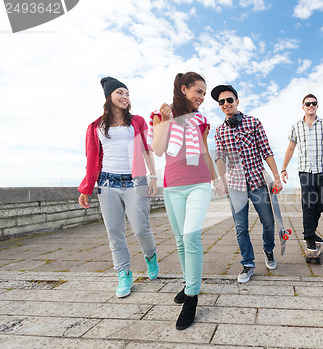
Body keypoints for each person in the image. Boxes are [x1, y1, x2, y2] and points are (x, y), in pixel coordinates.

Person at [78, 77, 159, 299]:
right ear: (109, 97)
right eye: (120, 93)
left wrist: (153, 176)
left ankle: (150, 256)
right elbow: (92, 157)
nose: (125, 97)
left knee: (141, 228)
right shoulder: (96, 126)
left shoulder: (138, 122)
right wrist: (86, 188)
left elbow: (147, 150)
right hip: (106, 183)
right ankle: (123, 273)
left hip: (135, 182)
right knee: (115, 233)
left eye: (127, 93)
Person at [151, 72, 218, 331]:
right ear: (183, 89)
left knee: (191, 236)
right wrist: (166, 122)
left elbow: (203, 150)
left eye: (203, 93)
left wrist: (216, 179)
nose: (202, 97)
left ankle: (191, 297)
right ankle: (188, 281)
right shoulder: (161, 114)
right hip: (173, 185)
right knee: (180, 239)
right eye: (198, 91)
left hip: (199, 183)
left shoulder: (202, 120)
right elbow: (158, 150)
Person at [212, 84, 282, 284]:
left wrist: (276, 177)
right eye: (221, 102)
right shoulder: (219, 131)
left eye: (229, 100)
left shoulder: (253, 122)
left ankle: (268, 249)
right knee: (241, 227)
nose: (226, 104)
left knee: (268, 222)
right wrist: (221, 181)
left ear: (237, 101)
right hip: (235, 185)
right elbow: (220, 157)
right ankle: (248, 264)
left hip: (258, 181)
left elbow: (266, 150)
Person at [281, 93, 323, 252]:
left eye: (313, 103)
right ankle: (308, 237)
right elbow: (290, 148)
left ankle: (311, 232)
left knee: (320, 204)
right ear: (303, 107)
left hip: (322, 170)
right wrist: (283, 169)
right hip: (305, 171)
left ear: (317, 105)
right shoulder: (296, 126)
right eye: (307, 104)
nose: (310, 106)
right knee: (308, 205)